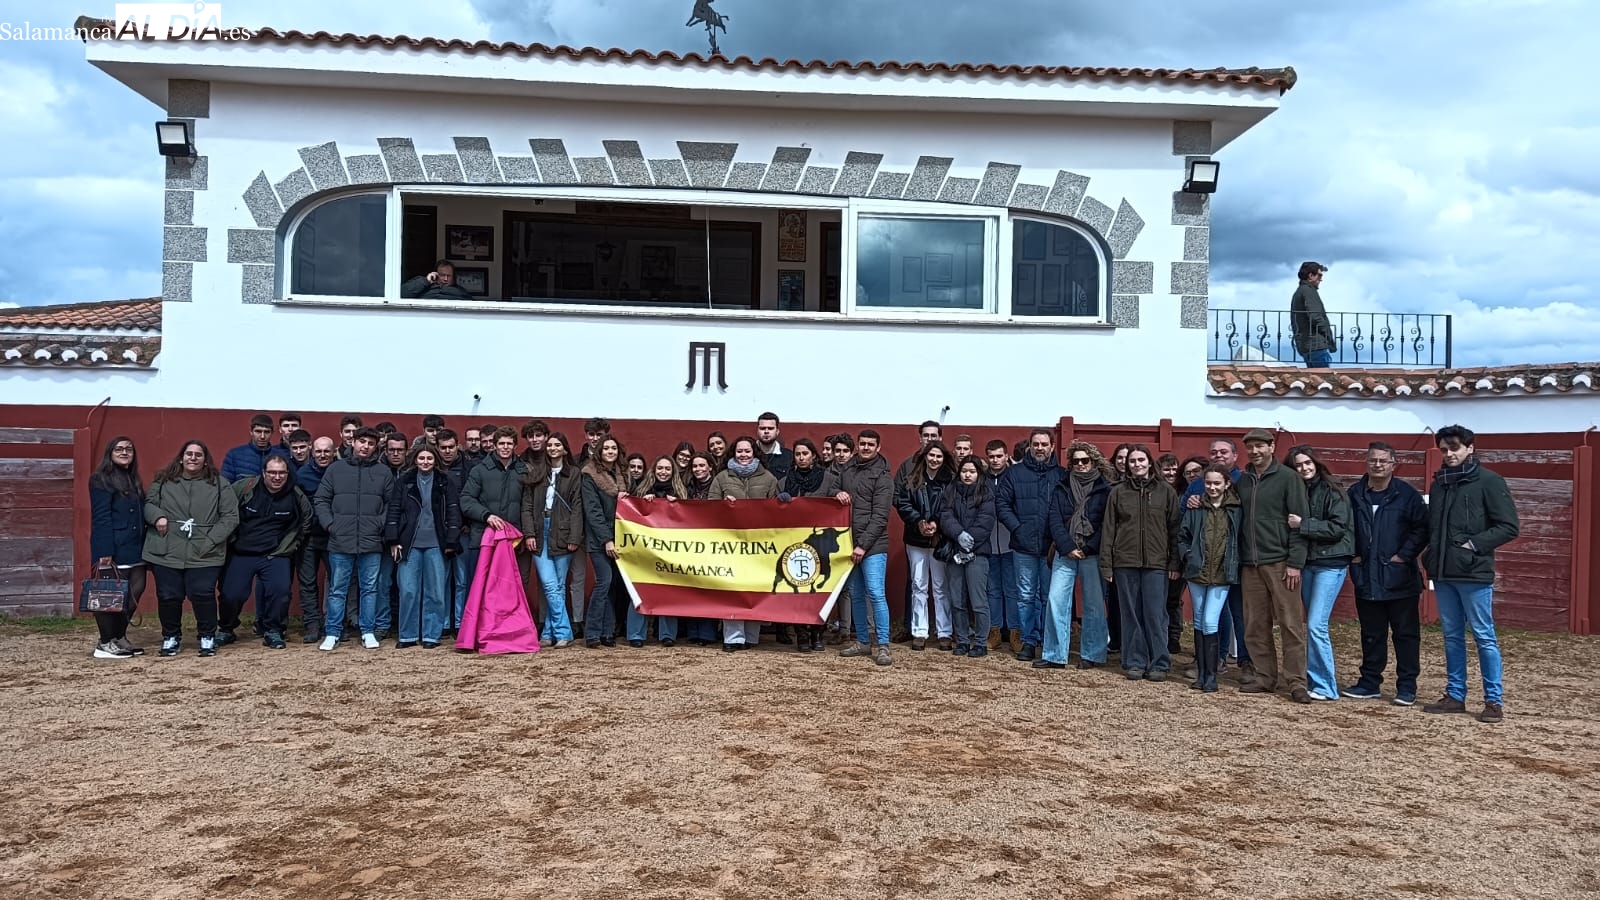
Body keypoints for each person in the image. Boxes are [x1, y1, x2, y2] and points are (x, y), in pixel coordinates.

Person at [1421, 425, 1520, 723]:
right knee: (1451, 635)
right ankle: (1455, 695)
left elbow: (1509, 526)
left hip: (1473, 571)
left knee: (1483, 635)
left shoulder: (1490, 481)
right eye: (1444, 449)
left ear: (1470, 448)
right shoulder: (1440, 484)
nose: (1449, 454)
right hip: (1443, 570)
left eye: (1454, 448)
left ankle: (1493, 701)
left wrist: (1473, 544)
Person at [1342, 441, 1428, 706]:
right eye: (1372, 460)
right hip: (1366, 576)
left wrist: (1402, 556)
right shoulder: (1355, 494)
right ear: (1366, 463)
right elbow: (1344, 526)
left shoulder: (1406, 494)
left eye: (1383, 461)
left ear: (1393, 463)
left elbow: (1422, 528)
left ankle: (1406, 687)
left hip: (1400, 578)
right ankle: (1369, 683)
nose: (1377, 465)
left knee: (1405, 634)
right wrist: (1354, 555)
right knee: (1371, 633)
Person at [1235, 428, 1312, 703]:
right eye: (1250, 447)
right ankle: (1265, 676)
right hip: (1250, 563)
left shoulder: (1289, 478)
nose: (1254, 452)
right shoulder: (1242, 481)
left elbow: (1299, 521)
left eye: (1259, 446)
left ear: (1270, 447)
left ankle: (1296, 681)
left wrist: (1295, 563)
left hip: (1281, 562)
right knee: (1255, 624)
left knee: (1291, 624)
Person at [144, 440, 240, 658]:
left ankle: (207, 635)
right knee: (168, 595)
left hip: (205, 550)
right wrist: (157, 516)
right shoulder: (163, 480)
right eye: (189, 454)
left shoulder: (219, 484)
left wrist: (210, 540)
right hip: (167, 547)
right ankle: (171, 636)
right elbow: (149, 504)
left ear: (205, 459)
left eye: (198, 454)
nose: (193, 458)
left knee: (202, 593)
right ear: (181, 457)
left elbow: (230, 516)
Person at [1098, 445, 1181, 682]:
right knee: (1131, 614)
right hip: (1125, 562)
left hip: (1157, 563)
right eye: (1132, 461)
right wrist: (1107, 564)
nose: (1137, 464)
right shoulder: (1118, 492)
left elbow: (1174, 530)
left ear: (1149, 461)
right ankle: (1134, 661)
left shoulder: (1166, 492)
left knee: (1155, 615)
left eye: (1141, 460)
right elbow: (1109, 529)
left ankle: (1160, 662)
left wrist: (1174, 563)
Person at [313, 427, 394, 651]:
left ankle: (367, 631)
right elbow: (321, 499)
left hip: (371, 541)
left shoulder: (383, 472)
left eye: (370, 443)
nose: (365, 446)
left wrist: (379, 524)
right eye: (361, 441)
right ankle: (332, 632)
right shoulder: (335, 469)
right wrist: (331, 524)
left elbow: (391, 504)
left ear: (375, 446)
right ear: (352, 442)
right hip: (340, 540)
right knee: (338, 589)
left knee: (369, 588)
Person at [218, 455, 312, 649]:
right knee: (231, 594)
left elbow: (306, 519)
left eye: (281, 473)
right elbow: (225, 509)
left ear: (287, 473)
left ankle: (273, 630)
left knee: (280, 591)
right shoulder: (245, 488)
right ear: (263, 473)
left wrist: (292, 545)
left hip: (274, 554)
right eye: (272, 472)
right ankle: (226, 629)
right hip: (241, 552)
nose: (277, 477)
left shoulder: (295, 495)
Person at [820, 429, 895, 666]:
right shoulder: (847, 469)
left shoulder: (883, 476)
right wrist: (837, 492)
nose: (865, 447)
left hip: (872, 545)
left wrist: (862, 546)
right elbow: (828, 490)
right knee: (856, 595)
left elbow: (881, 516)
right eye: (862, 443)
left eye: (870, 444)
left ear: (878, 447)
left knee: (875, 592)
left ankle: (882, 644)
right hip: (847, 543)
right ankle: (863, 641)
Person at [1285, 445, 1353, 702]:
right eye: (1298, 465)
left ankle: (1325, 686)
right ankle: (1316, 680)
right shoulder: (1298, 490)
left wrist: (1304, 525)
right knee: (1311, 624)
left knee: (1316, 625)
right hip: (1309, 562)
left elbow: (1337, 527)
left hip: (1331, 562)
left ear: (1316, 462)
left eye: (1307, 463)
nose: (1304, 468)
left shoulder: (1332, 488)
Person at [1038, 441, 1112, 670]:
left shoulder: (1105, 489)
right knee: (1056, 601)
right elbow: (1054, 519)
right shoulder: (1062, 486)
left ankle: (1093, 654)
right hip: (1065, 552)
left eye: (1085, 460)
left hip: (1092, 554)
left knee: (1094, 605)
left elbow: (1107, 524)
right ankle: (1054, 654)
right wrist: (1067, 545)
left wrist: (1089, 547)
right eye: (1076, 461)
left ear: (1093, 461)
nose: (1080, 465)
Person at [1184, 438, 1250, 677]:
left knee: (1240, 611)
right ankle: (1213, 660)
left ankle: (1245, 661)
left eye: (1224, 451)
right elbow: (1185, 521)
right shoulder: (1197, 485)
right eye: (1213, 452)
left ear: (1235, 454)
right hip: (1203, 563)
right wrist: (1188, 554)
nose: (1218, 455)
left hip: (1232, 561)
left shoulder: (1246, 482)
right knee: (1209, 615)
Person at [386, 444, 462, 649]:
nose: (425, 462)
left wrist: (452, 540)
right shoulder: (405, 481)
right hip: (408, 543)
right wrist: (393, 539)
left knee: (435, 592)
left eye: (429, 458)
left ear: (435, 460)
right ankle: (408, 635)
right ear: (415, 460)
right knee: (408, 590)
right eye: (422, 458)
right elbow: (393, 509)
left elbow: (454, 512)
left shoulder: (446, 482)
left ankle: (431, 635)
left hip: (437, 543)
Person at [995, 427, 1062, 662]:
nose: (1040, 448)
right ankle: (1028, 641)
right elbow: (1002, 503)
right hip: (1023, 546)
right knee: (1024, 596)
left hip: (1051, 547)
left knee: (1049, 596)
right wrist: (1017, 527)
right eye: (1036, 444)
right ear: (1029, 447)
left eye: (1044, 444)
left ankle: (1047, 640)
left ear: (1052, 447)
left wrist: (1059, 535)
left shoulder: (1061, 474)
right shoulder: (1014, 474)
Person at [709, 436, 780, 651]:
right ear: (733, 453)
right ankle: (733, 638)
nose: (743, 455)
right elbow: (709, 508)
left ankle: (751, 636)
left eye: (747, 451)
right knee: (732, 588)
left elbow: (776, 510)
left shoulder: (769, 479)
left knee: (754, 587)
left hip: (759, 544)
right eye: (739, 451)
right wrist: (723, 505)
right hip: (730, 542)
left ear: (754, 453)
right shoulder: (721, 478)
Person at [1177, 466, 1241, 693]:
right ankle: (1202, 673)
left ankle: (1212, 676)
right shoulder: (1195, 508)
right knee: (1198, 619)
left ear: (1227, 484)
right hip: (1196, 571)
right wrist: (1188, 555)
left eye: (1217, 483)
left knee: (1210, 621)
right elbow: (1182, 535)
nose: (1212, 488)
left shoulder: (1235, 509)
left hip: (1222, 573)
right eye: (1208, 483)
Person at [460, 426, 531, 631]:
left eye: (509, 443)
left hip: (514, 540)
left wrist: (526, 533)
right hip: (484, 539)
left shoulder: (523, 470)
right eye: (501, 443)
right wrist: (486, 515)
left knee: (512, 589)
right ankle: (478, 630)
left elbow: (528, 505)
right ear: (494, 445)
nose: (505, 447)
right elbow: (466, 499)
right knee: (481, 588)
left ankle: (509, 629)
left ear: (515, 446)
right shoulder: (480, 470)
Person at [520, 431, 585, 648]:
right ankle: (565, 631)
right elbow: (527, 506)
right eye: (550, 445)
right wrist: (529, 533)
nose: (553, 448)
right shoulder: (538, 473)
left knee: (556, 584)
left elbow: (577, 507)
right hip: (540, 531)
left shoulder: (574, 474)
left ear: (565, 449)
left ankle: (548, 632)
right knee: (550, 584)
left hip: (563, 532)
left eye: (557, 445)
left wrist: (575, 536)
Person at [87, 437, 148, 659]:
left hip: (136, 547)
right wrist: (104, 551)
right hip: (113, 547)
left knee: (135, 591)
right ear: (110, 453)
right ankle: (104, 643)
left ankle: (119, 636)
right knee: (108, 596)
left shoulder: (133, 479)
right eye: (119, 449)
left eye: (129, 449)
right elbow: (101, 517)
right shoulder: (100, 479)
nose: (124, 452)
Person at [895, 441, 954, 651]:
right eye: (931, 456)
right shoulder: (911, 478)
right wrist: (917, 521)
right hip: (915, 539)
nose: (934, 460)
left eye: (938, 456)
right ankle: (919, 632)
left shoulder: (950, 481)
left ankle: (944, 632)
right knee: (919, 586)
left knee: (941, 587)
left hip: (940, 539)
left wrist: (936, 523)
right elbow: (902, 502)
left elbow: (951, 506)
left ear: (944, 458)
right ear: (925, 457)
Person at [938, 456, 996, 658]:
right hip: (954, 550)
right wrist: (959, 535)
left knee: (979, 601)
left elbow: (986, 521)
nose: (968, 475)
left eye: (972, 471)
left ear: (978, 473)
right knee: (957, 600)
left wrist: (969, 543)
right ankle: (962, 640)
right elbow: (945, 516)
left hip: (977, 553)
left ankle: (980, 642)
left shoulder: (986, 492)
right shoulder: (951, 490)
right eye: (964, 471)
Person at [627, 457, 687, 648]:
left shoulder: (681, 492)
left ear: (673, 471)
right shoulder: (642, 490)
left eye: (667, 468)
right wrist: (644, 503)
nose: (663, 471)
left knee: (669, 590)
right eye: (659, 467)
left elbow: (687, 519)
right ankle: (636, 634)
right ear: (654, 470)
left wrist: (677, 504)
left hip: (671, 550)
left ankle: (667, 634)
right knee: (639, 589)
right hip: (644, 549)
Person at [580, 436, 627, 648]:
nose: (610, 451)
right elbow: (593, 511)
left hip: (622, 537)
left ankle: (607, 632)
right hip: (600, 539)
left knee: (613, 586)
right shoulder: (589, 475)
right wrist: (607, 540)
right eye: (606, 448)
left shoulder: (621, 474)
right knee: (603, 582)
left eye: (613, 448)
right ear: (599, 451)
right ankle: (592, 633)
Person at [294, 436, 336, 642]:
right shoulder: (302, 474)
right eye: (318, 451)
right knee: (308, 583)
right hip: (308, 537)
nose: (322, 455)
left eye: (326, 451)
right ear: (312, 452)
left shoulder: (340, 472)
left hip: (334, 537)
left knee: (338, 583)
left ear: (333, 451)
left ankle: (334, 624)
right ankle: (312, 624)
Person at [981, 439, 1020, 653]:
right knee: (993, 589)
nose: (995, 460)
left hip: (1011, 542)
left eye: (999, 456)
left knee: (1012, 589)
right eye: (991, 456)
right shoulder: (982, 479)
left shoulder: (1014, 477)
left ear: (1006, 456)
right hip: (988, 543)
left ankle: (1015, 632)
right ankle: (994, 631)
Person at [1157, 452, 1187, 655]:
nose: (1170, 473)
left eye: (1174, 469)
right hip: (1160, 552)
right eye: (1166, 469)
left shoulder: (1185, 493)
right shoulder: (1158, 491)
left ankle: (1174, 635)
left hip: (1180, 552)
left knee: (1174, 599)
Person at [1290, 261, 1335, 368]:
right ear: (1310, 275)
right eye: (1319, 275)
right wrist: (1328, 336)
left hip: (1306, 345)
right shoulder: (1308, 291)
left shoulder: (1300, 292)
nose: (1321, 279)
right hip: (1316, 344)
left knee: (1316, 380)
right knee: (1324, 380)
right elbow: (1315, 316)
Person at [221, 413, 289, 483]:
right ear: (251, 431)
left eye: (267, 432)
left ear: (272, 433)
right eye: (258, 431)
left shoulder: (281, 456)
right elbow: (226, 486)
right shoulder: (234, 455)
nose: (262, 436)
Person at [402, 259, 474, 301]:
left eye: (449, 276)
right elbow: (402, 294)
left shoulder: (461, 291)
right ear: (435, 274)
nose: (445, 279)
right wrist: (426, 281)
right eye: (442, 275)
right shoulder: (423, 287)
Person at [755, 412, 794, 481]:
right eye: (762, 428)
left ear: (777, 431)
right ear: (757, 431)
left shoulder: (789, 457)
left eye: (770, 428)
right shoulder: (747, 454)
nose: (766, 431)